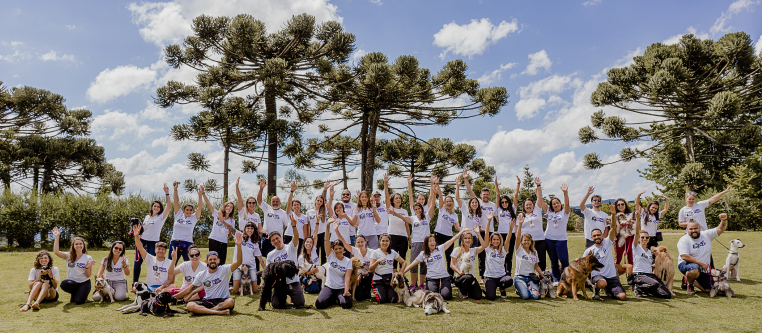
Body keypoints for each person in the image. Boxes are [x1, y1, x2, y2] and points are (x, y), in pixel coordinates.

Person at [186, 232, 244, 315]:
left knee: (230, 301)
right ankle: (218, 312)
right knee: (190, 305)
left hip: (222, 300)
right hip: (207, 301)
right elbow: (190, 289)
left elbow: (239, 262)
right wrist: (176, 297)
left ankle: (205, 311)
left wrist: (239, 246)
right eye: (210, 259)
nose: (212, 261)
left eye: (214, 259)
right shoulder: (202, 274)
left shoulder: (224, 269)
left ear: (218, 261)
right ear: (206, 262)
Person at [401, 228, 467, 300]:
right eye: (430, 241)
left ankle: (442, 289)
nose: (433, 242)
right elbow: (412, 265)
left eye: (433, 241)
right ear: (426, 243)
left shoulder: (440, 248)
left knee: (446, 296)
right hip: (431, 279)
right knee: (432, 296)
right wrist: (402, 272)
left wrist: (462, 231)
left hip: (444, 278)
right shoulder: (423, 254)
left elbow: (452, 239)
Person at [678, 213, 729, 295]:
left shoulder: (706, 235)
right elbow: (684, 256)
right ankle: (690, 285)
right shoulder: (684, 240)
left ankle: (689, 279)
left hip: (704, 268)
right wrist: (701, 263)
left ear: (700, 228)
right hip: (687, 264)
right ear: (687, 229)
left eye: (695, 228)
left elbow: (720, 229)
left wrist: (724, 220)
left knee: (708, 290)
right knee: (694, 269)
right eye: (691, 229)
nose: (693, 230)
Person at [627, 206, 671, 298]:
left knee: (666, 294)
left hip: (650, 275)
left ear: (649, 239)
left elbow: (652, 264)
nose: (644, 239)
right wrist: (638, 218)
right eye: (642, 237)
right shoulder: (636, 247)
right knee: (654, 284)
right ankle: (638, 287)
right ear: (639, 239)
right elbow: (637, 232)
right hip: (639, 275)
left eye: (646, 237)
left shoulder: (650, 251)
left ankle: (646, 289)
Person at [263, 215, 305, 309]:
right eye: (273, 240)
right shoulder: (270, 255)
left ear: (281, 237)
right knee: (276, 305)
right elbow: (269, 272)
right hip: (279, 283)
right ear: (271, 243)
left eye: (277, 238)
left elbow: (296, 237)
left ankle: (293, 295)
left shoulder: (290, 248)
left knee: (300, 303)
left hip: (293, 281)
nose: (276, 241)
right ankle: (280, 296)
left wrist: (294, 226)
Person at [583, 212, 626, 300]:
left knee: (622, 297)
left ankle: (609, 290)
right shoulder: (589, 250)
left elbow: (613, 227)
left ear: (602, 235)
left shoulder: (607, 242)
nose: (597, 237)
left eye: (598, 235)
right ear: (592, 238)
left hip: (611, 275)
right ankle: (595, 287)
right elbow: (584, 265)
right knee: (602, 283)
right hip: (598, 275)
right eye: (594, 236)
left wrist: (613, 214)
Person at [134, 183, 171, 284]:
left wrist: (167, 193)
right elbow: (143, 229)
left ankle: (155, 282)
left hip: (153, 242)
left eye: (158, 207)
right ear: (152, 207)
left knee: (154, 264)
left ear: (160, 208)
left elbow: (169, 206)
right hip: (142, 241)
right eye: (155, 206)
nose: (156, 208)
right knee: (137, 263)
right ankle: (135, 284)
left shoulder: (161, 217)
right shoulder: (147, 217)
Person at [463, 169, 495, 283]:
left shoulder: (493, 205)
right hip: (479, 232)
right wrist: (466, 179)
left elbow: (498, 218)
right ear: (481, 195)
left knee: (491, 254)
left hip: (491, 232)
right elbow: (470, 190)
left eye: (487, 194)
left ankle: (491, 275)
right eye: (484, 194)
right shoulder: (478, 203)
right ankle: (481, 277)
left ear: (489, 195)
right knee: (480, 256)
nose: (485, 196)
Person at [406, 174, 436, 291]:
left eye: (423, 199)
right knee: (414, 263)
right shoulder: (413, 211)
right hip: (416, 242)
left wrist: (432, 185)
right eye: (419, 199)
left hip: (426, 242)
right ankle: (413, 284)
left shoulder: (427, 212)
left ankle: (422, 284)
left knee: (424, 264)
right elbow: (410, 198)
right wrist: (409, 183)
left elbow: (431, 200)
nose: (421, 201)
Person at [315, 219, 354, 309]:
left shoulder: (348, 261)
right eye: (336, 249)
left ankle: (338, 297)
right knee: (319, 304)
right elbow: (326, 240)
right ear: (333, 250)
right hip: (329, 287)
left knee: (346, 304)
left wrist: (346, 291)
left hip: (341, 288)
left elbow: (347, 279)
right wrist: (328, 225)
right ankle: (332, 298)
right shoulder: (330, 256)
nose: (338, 251)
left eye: (340, 248)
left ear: (343, 249)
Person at [51, 227, 94, 305]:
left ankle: (81, 293)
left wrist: (87, 267)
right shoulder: (68, 256)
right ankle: (76, 292)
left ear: (83, 245)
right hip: (72, 282)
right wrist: (57, 237)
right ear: (73, 246)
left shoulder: (88, 257)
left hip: (84, 282)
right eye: (76, 244)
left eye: (80, 244)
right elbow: (56, 251)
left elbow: (88, 276)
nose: (78, 245)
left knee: (78, 301)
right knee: (64, 284)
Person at [455, 175, 486, 280]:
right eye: (472, 202)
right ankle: (461, 275)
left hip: (474, 238)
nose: (474, 204)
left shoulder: (479, 215)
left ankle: (471, 276)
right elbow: (457, 198)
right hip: (464, 237)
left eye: (476, 202)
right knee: (461, 257)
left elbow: (479, 227)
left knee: (471, 259)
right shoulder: (465, 210)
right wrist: (458, 186)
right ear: (470, 203)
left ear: (478, 204)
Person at [540, 183, 571, 285]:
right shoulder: (549, 211)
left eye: (557, 203)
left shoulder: (565, 212)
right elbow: (540, 200)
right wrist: (539, 186)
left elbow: (567, 204)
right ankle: (556, 279)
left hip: (561, 240)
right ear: (551, 206)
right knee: (553, 261)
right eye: (554, 204)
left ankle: (566, 278)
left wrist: (565, 193)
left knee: (564, 260)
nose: (556, 205)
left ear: (560, 203)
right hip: (549, 239)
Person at [132, 224, 174, 292]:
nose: (161, 251)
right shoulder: (150, 258)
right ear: (155, 250)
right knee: (134, 289)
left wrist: (161, 287)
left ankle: (158, 293)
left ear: (165, 251)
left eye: (163, 249)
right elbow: (140, 248)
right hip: (150, 287)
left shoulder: (169, 262)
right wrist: (136, 236)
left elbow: (171, 280)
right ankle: (153, 294)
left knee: (173, 286)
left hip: (163, 287)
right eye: (159, 249)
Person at [482, 214, 514, 300]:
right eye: (494, 239)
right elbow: (486, 234)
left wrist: (511, 228)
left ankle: (502, 288)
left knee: (509, 280)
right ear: (491, 241)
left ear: (500, 240)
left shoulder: (503, 250)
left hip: (501, 277)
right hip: (490, 277)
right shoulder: (488, 249)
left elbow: (508, 239)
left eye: (497, 239)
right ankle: (491, 288)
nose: (496, 241)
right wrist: (488, 221)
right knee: (490, 297)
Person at [450, 224, 486, 300]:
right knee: (469, 277)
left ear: (472, 240)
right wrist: (459, 272)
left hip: (471, 277)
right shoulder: (457, 250)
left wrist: (478, 233)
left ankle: (469, 290)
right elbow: (452, 265)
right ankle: (461, 290)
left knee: (478, 296)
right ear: (462, 240)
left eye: (469, 238)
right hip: (460, 277)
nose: (467, 240)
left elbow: (483, 246)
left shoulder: (473, 250)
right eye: (465, 238)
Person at [170, 182, 204, 262]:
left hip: (188, 243)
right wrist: (175, 190)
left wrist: (200, 195)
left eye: (191, 210)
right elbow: (176, 202)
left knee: (189, 264)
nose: (189, 211)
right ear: (184, 210)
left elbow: (199, 207)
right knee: (171, 264)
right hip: (175, 242)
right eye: (187, 210)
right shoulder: (178, 214)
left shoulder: (194, 218)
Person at [513, 214, 545, 300]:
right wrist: (520, 224)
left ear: (531, 241)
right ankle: (519, 289)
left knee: (535, 296)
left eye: (528, 240)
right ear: (522, 242)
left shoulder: (534, 252)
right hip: (519, 277)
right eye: (525, 240)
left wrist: (543, 276)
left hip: (531, 278)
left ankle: (528, 288)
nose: (526, 242)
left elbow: (536, 266)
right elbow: (517, 237)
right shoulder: (518, 249)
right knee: (525, 296)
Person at [433, 179, 461, 276]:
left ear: (452, 203)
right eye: (447, 201)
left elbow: (458, 228)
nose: (449, 202)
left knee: (450, 257)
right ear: (445, 203)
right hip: (438, 235)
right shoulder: (442, 210)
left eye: (450, 201)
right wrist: (437, 184)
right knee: (437, 255)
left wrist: (465, 229)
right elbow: (440, 196)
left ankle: (450, 277)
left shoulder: (455, 215)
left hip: (449, 237)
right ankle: (437, 274)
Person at [370, 233, 408, 303]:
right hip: (378, 279)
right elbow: (370, 268)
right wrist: (377, 261)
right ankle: (380, 291)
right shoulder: (375, 252)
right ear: (379, 241)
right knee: (381, 300)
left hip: (390, 280)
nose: (385, 243)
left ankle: (387, 292)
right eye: (383, 241)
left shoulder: (393, 252)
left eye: (387, 241)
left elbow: (403, 262)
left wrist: (401, 273)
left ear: (390, 242)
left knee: (393, 300)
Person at [384, 172, 410, 269]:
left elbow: (407, 225)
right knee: (393, 257)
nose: (398, 199)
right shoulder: (390, 208)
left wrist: (409, 238)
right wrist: (385, 182)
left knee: (402, 257)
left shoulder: (404, 211)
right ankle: (394, 275)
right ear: (392, 200)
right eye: (396, 198)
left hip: (403, 237)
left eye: (399, 198)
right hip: (392, 236)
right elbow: (386, 196)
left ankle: (401, 275)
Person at [494, 175, 519, 276]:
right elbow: (497, 194)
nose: (504, 203)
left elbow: (516, 195)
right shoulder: (498, 209)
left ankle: (508, 274)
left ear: (508, 202)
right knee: (500, 254)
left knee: (509, 255)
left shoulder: (513, 209)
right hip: (501, 234)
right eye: (502, 202)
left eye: (506, 202)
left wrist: (518, 183)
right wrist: (495, 183)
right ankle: (500, 272)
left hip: (511, 234)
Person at [257, 178, 288, 258]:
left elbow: (286, 225)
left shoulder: (283, 213)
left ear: (280, 203)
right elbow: (259, 200)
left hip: (277, 240)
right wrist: (261, 188)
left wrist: (281, 234)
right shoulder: (267, 208)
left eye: (277, 201)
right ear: (270, 202)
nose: (275, 203)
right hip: (267, 239)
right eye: (273, 201)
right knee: (268, 258)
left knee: (278, 258)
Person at [202, 191, 236, 265]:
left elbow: (231, 232)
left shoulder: (232, 221)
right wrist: (203, 193)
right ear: (225, 207)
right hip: (214, 240)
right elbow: (208, 204)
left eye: (231, 207)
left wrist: (225, 234)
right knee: (212, 261)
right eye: (228, 206)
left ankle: (220, 276)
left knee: (222, 262)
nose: (229, 208)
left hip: (223, 242)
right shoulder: (217, 213)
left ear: (232, 210)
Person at [231, 221, 264, 295]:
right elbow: (231, 228)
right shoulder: (239, 235)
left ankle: (248, 287)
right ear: (245, 229)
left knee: (255, 290)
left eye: (252, 228)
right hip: (238, 265)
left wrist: (265, 269)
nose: (250, 230)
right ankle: (242, 287)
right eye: (248, 228)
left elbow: (259, 257)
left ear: (254, 230)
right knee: (235, 291)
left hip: (251, 266)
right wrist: (223, 221)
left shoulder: (255, 242)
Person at [327, 183, 354, 257]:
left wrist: (347, 217)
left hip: (346, 242)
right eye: (337, 208)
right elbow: (329, 207)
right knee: (335, 260)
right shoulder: (333, 217)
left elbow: (353, 224)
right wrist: (331, 195)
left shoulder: (348, 216)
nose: (338, 209)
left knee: (347, 260)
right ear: (335, 210)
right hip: (334, 241)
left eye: (340, 207)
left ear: (343, 209)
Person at [285, 181, 310, 254]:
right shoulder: (289, 213)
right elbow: (289, 203)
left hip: (300, 238)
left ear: (300, 206)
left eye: (298, 204)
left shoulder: (304, 217)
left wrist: (305, 241)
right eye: (294, 205)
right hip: (289, 235)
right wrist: (292, 191)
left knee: (298, 255)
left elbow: (305, 231)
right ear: (292, 207)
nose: (296, 206)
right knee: (287, 253)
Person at [347, 234, 374, 301]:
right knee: (359, 297)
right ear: (355, 243)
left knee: (368, 275)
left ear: (365, 241)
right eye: (358, 242)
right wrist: (336, 231)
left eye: (362, 241)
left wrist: (361, 274)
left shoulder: (372, 252)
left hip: (368, 276)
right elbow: (344, 243)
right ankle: (363, 291)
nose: (360, 244)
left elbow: (372, 270)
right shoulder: (355, 251)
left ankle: (368, 292)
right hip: (358, 277)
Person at [308, 182, 329, 264]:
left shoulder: (324, 210)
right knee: (314, 253)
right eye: (318, 200)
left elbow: (326, 199)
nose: (319, 202)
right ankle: (314, 268)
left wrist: (325, 189)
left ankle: (323, 269)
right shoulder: (309, 212)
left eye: (321, 201)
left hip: (323, 234)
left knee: (324, 253)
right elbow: (308, 225)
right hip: (314, 235)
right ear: (315, 201)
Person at [610, 197, 634, 265]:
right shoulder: (614, 215)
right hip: (618, 237)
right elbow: (612, 227)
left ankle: (631, 274)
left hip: (629, 237)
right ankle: (615, 273)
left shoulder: (630, 214)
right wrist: (621, 225)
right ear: (616, 206)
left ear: (625, 205)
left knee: (631, 257)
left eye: (622, 204)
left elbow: (635, 224)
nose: (620, 206)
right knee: (618, 258)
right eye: (618, 205)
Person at [298, 226, 322, 294]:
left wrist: (317, 221)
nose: (309, 244)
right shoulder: (301, 257)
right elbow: (301, 274)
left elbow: (315, 234)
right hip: (306, 276)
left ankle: (316, 283)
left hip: (317, 274)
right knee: (315, 289)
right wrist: (311, 272)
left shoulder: (313, 250)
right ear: (304, 243)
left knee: (324, 287)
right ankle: (305, 288)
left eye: (310, 242)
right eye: (307, 242)